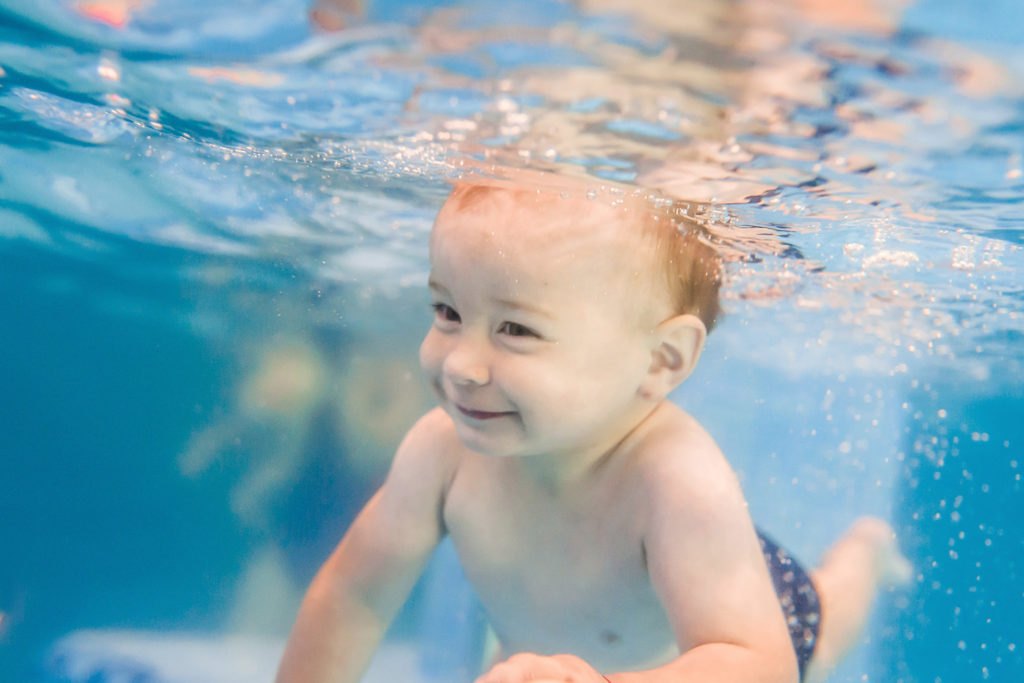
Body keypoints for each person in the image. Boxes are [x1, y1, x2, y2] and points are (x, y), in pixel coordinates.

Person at [275, 170, 909, 683]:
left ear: (661, 361)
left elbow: (758, 666)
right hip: (558, 656)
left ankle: (866, 552)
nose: (462, 366)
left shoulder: (676, 479)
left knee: (830, 624)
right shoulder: (442, 452)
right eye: (447, 311)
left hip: (759, 617)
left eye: (515, 329)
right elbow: (352, 598)